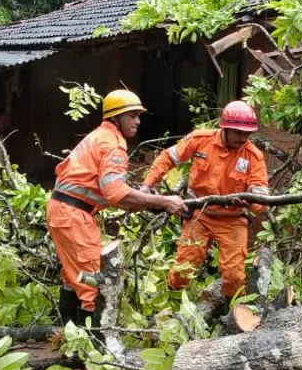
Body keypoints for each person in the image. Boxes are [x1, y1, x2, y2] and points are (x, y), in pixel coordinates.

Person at [46, 89, 186, 326]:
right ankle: (92, 348)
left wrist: (142, 199)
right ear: (115, 117)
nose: (138, 122)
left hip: (63, 210)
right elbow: (116, 194)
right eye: (132, 116)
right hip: (73, 214)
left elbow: (113, 190)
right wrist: (164, 201)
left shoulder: (100, 136)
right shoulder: (113, 145)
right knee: (93, 282)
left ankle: (68, 339)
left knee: (74, 277)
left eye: (138, 116)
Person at [140, 100, 269, 303]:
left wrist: (250, 200)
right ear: (225, 128)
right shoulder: (201, 139)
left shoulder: (253, 156)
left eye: (247, 134)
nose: (243, 138)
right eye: (238, 133)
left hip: (233, 220)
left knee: (234, 276)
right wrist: (148, 184)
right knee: (183, 269)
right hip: (199, 215)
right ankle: (171, 308)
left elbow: (261, 198)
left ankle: (232, 320)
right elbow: (168, 157)